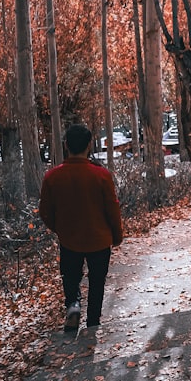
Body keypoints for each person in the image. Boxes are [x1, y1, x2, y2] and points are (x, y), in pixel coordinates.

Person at [39, 124, 124, 332]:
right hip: (100, 239)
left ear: (66, 145)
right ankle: (93, 322)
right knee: (97, 282)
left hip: (69, 239)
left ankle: (73, 305)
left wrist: (59, 228)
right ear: (89, 145)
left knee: (70, 276)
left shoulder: (52, 177)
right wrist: (117, 235)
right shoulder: (101, 175)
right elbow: (112, 208)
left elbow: (45, 211)